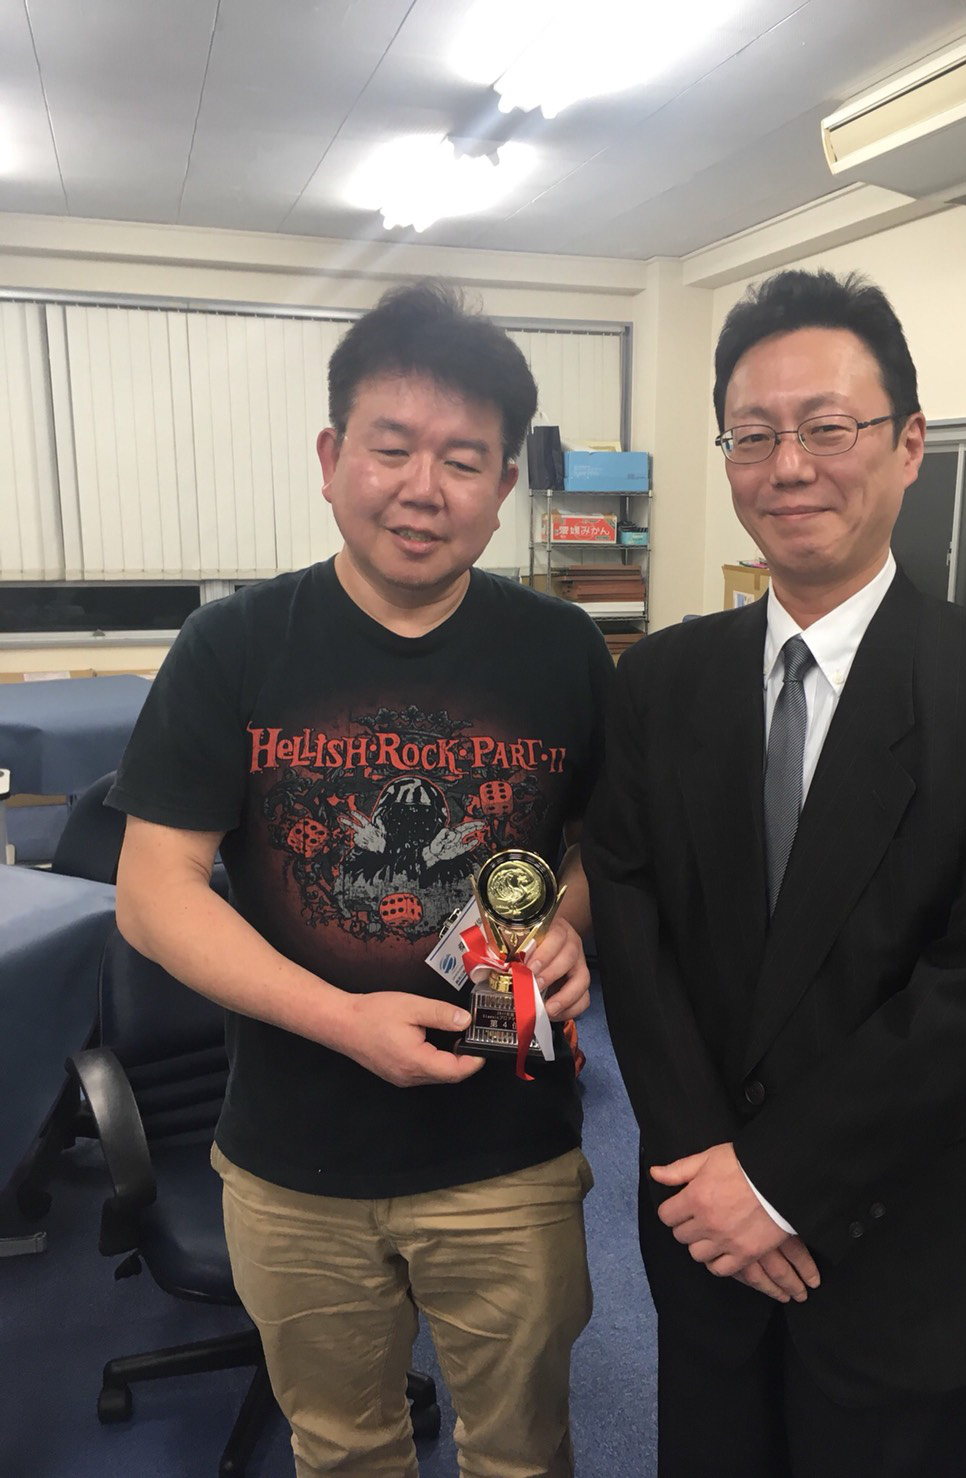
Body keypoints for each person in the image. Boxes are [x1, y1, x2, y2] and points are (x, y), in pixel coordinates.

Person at [583, 268, 966, 1478]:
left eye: (826, 427)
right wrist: (710, 1172)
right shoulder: (662, 680)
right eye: (753, 435)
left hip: (906, 1237)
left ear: (908, 444)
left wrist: (774, 1183)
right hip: (703, 1224)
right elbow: (635, 930)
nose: (789, 466)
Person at [109, 280, 612, 1478]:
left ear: (504, 484)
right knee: (341, 1448)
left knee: (524, 1450)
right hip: (296, 1159)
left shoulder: (565, 650)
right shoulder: (232, 646)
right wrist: (343, 1019)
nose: (422, 487)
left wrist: (568, 925)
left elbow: (599, 848)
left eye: (462, 458)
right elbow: (154, 889)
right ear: (332, 460)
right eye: (391, 447)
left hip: (510, 1151)